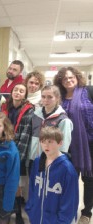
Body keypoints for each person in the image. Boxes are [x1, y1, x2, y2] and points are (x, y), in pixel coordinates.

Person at [53, 67, 93, 224]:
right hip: (67, 145)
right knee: (69, 178)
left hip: (89, 143)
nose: (68, 81)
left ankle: (86, 212)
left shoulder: (88, 91)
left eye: (71, 77)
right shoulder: (59, 97)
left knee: (89, 179)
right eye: (64, 79)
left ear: (77, 77)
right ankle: (69, 209)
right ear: (60, 82)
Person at [25, 126, 79, 224]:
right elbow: (32, 188)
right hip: (36, 218)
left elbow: (70, 201)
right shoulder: (38, 162)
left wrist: (62, 221)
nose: (46, 145)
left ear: (60, 143)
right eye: (43, 141)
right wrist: (30, 209)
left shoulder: (67, 170)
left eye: (50, 142)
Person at [1, 83, 34, 224]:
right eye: (16, 90)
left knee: (16, 184)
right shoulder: (5, 107)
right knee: (3, 180)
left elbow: (26, 134)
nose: (18, 93)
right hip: (4, 148)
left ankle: (18, 212)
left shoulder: (29, 110)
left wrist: (17, 156)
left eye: (21, 91)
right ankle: (5, 211)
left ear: (25, 95)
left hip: (18, 150)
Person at [28, 85, 73, 171]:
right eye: (43, 96)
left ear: (57, 98)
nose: (45, 100)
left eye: (50, 97)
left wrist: (58, 162)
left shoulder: (63, 120)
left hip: (51, 160)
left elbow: (64, 145)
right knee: (34, 183)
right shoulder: (35, 114)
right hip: (33, 159)